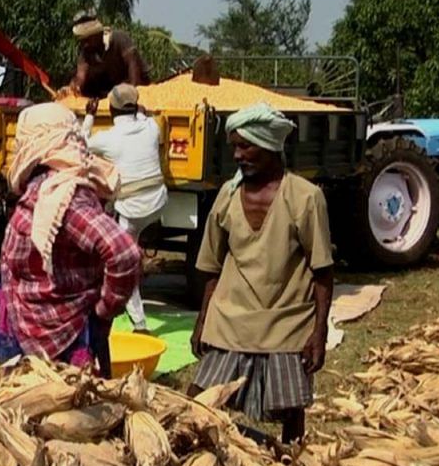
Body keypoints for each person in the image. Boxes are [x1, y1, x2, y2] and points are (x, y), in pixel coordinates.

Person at [188, 102, 334, 445]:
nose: (238, 155)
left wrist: (319, 332)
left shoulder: (305, 197)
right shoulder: (227, 195)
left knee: (292, 410)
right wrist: (202, 321)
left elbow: (323, 271)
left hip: (285, 322)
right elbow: (211, 267)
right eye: (235, 147)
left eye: (246, 146)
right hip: (231, 320)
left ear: (269, 146)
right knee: (198, 402)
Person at [0, 102, 141, 377]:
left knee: (50, 411)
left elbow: (123, 253)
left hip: (57, 332)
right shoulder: (50, 186)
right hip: (29, 314)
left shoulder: (62, 194)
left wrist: (106, 307)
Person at [82, 84, 167, 334]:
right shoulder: (152, 127)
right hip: (158, 203)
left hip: (132, 210)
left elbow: (81, 142)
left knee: (122, 264)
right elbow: (145, 115)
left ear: (110, 109)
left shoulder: (108, 138)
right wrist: (140, 111)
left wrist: (89, 115)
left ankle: (139, 324)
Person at [69, 14, 150, 99]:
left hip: (133, 85)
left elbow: (133, 67)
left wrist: (133, 93)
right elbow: (81, 75)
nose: (84, 44)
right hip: (111, 91)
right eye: (82, 41)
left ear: (97, 35)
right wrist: (76, 84)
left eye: (87, 40)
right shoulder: (87, 52)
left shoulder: (119, 39)